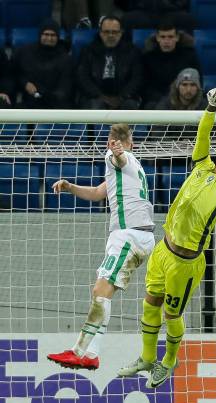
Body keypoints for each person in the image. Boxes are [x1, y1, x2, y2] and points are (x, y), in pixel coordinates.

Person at [117, 88, 216, 388]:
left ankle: (168, 362)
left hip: (186, 262)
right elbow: (203, 140)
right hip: (164, 249)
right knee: (150, 302)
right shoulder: (202, 168)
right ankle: (147, 357)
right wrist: (211, 109)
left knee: (171, 313)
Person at [47, 124, 155, 370]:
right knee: (101, 292)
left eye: (118, 140)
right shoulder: (133, 168)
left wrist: (117, 152)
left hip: (129, 236)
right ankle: (90, 354)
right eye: (112, 140)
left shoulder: (117, 158)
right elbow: (98, 192)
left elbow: (119, 158)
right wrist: (70, 187)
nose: (113, 143)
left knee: (99, 290)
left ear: (128, 143)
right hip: (135, 236)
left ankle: (80, 351)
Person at [77, 15, 143, 110]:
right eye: (107, 32)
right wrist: (100, 96)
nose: (111, 35)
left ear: (121, 33)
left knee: (130, 106)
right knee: (95, 106)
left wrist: (122, 97)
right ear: (100, 33)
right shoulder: (88, 51)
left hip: (126, 98)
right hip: (95, 97)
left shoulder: (133, 52)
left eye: (115, 32)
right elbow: (82, 78)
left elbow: (137, 78)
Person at [13, 19, 73, 109]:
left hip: (56, 105)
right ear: (40, 35)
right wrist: (25, 83)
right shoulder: (25, 52)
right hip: (30, 103)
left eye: (53, 35)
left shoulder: (66, 59)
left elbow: (65, 87)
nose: (49, 38)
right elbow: (14, 73)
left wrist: (47, 96)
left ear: (58, 37)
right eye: (46, 34)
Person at [142, 20, 201, 109]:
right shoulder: (148, 57)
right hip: (156, 100)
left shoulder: (189, 56)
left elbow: (197, 80)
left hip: (184, 99)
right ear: (157, 38)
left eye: (170, 37)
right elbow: (145, 85)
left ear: (177, 38)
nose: (166, 41)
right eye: (163, 37)